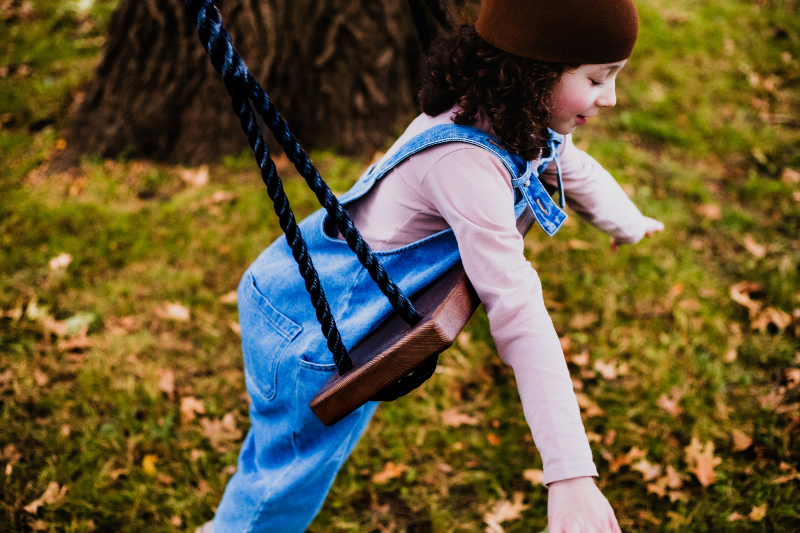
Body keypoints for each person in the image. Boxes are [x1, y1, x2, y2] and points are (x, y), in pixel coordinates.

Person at [200, 0, 664, 531]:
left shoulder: (518, 117)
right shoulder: (464, 163)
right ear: (535, 73)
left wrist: (628, 222)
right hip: (310, 327)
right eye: (597, 79)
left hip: (364, 325)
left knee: (307, 453)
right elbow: (519, 312)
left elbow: (568, 165)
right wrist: (570, 474)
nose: (610, 99)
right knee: (282, 482)